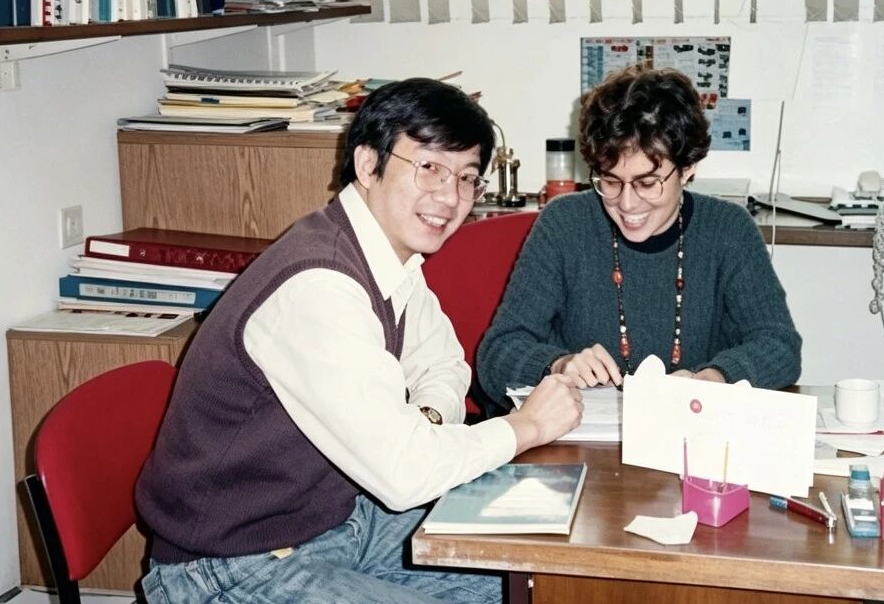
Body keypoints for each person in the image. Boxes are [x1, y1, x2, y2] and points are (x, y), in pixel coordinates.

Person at [135, 79, 583, 604]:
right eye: (430, 168)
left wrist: (424, 425)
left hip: (341, 519)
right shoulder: (320, 287)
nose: (450, 197)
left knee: (540, 580)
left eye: (466, 178)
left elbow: (444, 364)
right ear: (368, 165)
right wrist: (526, 427)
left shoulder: (390, 255)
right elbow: (406, 475)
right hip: (229, 565)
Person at [476, 66, 801, 411]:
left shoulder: (728, 230)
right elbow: (497, 353)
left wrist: (713, 379)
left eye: (647, 183)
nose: (627, 203)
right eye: (610, 181)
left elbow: (779, 345)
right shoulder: (565, 223)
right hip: (581, 434)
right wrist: (558, 365)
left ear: (688, 167)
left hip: (691, 430)